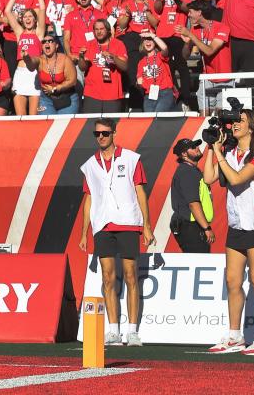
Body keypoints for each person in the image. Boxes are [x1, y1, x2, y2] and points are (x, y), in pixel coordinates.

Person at [78, 118, 154, 347]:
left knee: (131, 277)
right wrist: (84, 232)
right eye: (97, 134)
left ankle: (132, 331)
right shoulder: (90, 164)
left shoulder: (131, 159)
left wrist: (147, 225)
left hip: (128, 222)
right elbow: (89, 199)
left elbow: (140, 192)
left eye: (105, 133)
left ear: (114, 133)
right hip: (103, 225)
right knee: (108, 278)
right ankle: (113, 330)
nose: (101, 137)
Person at [204, 109, 254, 355]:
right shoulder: (230, 153)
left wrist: (220, 154)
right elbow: (209, 177)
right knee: (232, 281)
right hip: (237, 224)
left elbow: (238, 179)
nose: (234, 125)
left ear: (251, 127)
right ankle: (234, 336)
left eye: (240, 121)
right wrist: (213, 147)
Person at [169, 139, 214, 254]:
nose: (197, 148)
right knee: (199, 260)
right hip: (190, 225)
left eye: (197, 145)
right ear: (184, 154)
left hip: (192, 224)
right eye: (193, 147)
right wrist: (206, 228)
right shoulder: (187, 171)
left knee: (198, 259)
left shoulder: (191, 170)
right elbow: (193, 204)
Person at [78, 19, 129, 113]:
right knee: (91, 125)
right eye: (96, 29)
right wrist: (81, 58)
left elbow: (125, 66)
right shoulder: (89, 44)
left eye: (101, 29)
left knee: (111, 126)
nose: (99, 32)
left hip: (113, 94)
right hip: (92, 94)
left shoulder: (118, 44)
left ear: (108, 30)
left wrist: (113, 57)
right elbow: (82, 67)